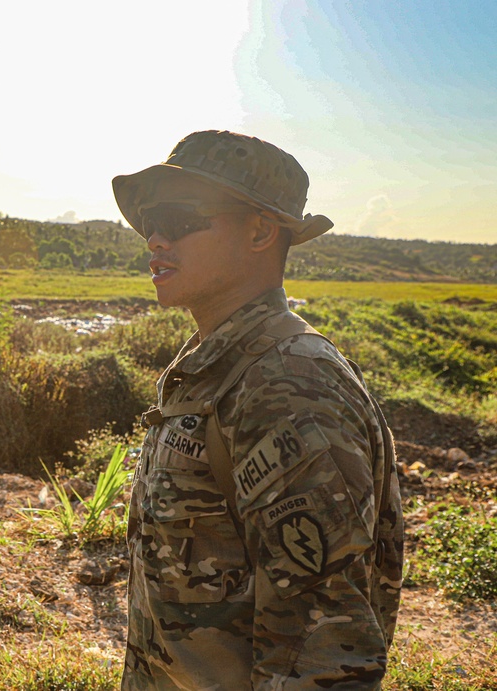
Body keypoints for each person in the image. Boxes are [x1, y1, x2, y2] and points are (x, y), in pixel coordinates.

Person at [113, 130, 403, 689]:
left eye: (177, 217)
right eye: (149, 219)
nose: (154, 238)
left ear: (261, 231)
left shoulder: (288, 386)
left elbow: (323, 655)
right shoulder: (215, 364)